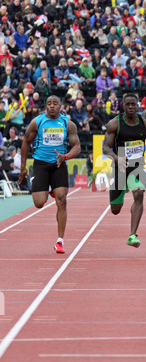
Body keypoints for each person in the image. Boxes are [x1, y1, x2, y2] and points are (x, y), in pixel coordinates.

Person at [18, 96, 81, 254]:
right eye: (49, 104)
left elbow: (77, 146)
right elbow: (25, 142)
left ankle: (60, 241)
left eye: (55, 104)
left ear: (61, 106)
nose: (52, 106)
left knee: (62, 199)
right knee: (39, 203)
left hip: (59, 164)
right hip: (40, 165)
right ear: (45, 107)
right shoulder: (37, 122)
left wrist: (65, 156)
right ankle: (48, 189)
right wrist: (23, 167)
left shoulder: (68, 124)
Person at [103, 93, 146, 248]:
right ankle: (124, 188)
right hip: (120, 168)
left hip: (137, 166)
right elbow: (105, 147)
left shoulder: (144, 124)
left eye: (134, 104)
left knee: (139, 194)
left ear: (138, 105)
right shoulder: (115, 124)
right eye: (128, 105)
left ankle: (132, 235)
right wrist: (116, 158)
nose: (131, 107)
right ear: (123, 106)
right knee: (115, 210)